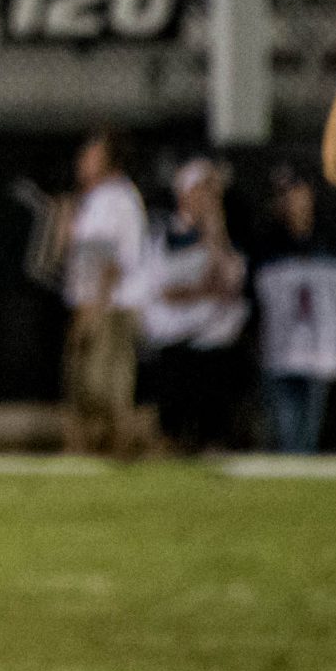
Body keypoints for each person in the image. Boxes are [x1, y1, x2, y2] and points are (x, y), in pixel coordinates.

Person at [136, 159, 249, 454]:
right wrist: (203, 290)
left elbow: (229, 285)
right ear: (185, 193)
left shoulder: (227, 234)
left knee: (212, 436)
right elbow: (165, 290)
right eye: (202, 190)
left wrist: (215, 235)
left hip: (213, 347)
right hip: (174, 344)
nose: (210, 198)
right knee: (172, 435)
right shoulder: (164, 233)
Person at [253, 170, 336, 454]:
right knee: (286, 430)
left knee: (308, 433)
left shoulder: (328, 240)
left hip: (318, 348)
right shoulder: (268, 243)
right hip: (280, 349)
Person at [59, 129, 145, 457]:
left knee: (105, 389)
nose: (82, 162)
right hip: (94, 303)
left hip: (109, 308)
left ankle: (120, 454)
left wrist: (92, 309)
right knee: (85, 388)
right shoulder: (96, 199)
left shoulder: (115, 198)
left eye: (91, 155)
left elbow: (111, 264)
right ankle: (96, 455)